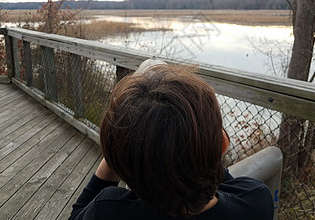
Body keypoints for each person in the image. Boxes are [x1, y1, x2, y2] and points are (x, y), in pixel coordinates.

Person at [69, 59, 274, 219]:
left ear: (117, 161)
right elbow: (215, 179)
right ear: (223, 144)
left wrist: (119, 154)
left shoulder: (110, 210)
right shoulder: (255, 202)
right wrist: (205, 147)